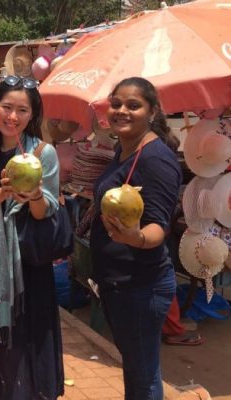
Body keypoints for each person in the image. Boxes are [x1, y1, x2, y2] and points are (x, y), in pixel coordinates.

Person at [0, 75, 64, 399]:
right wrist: (2, 192)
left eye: (22, 110)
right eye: (6, 107)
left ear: (32, 114)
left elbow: (46, 211)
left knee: (26, 341)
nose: (12, 117)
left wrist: (34, 195)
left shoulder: (43, 153)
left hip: (28, 266)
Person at [90, 77, 182, 400]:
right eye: (116, 104)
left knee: (143, 379)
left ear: (152, 111)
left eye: (133, 105)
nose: (122, 111)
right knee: (138, 370)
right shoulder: (123, 149)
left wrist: (135, 237)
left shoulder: (155, 159)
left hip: (141, 286)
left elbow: (159, 226)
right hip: (120, 284)